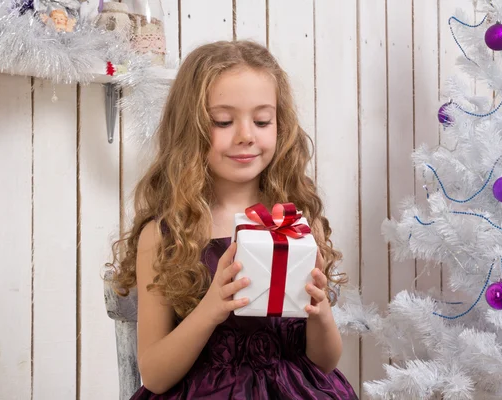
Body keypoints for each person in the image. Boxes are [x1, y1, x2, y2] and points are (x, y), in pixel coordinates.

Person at [109, 40, 358, 399]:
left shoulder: (295, 225)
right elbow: (155, 375)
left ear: (280, 125)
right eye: (223, 121)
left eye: (262, 120)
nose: (246, 135)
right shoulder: (167, 235)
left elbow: (325, 361)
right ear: (190, 129)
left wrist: (320, 314)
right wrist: (210, 310)